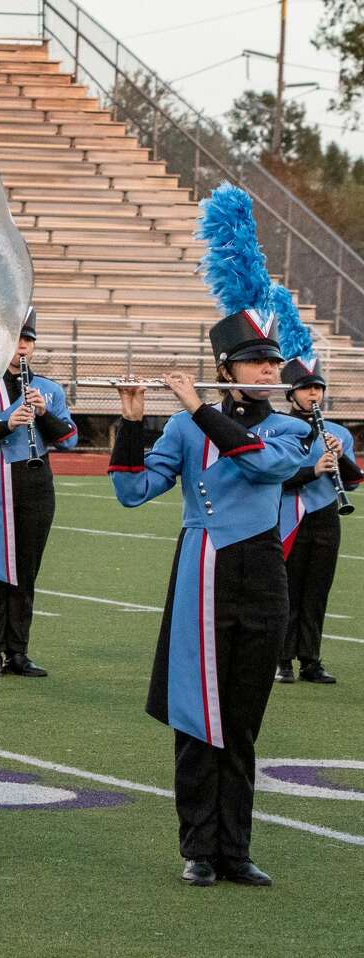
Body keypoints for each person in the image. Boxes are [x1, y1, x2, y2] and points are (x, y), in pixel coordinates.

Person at [108, 183, 312, 887]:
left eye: (272, 363)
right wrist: (132, 423)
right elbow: (134, 491)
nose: (268, 372)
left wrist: (198, 407)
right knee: (200, 715)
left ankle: (235, 848)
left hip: (262, 572)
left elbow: (258, 466)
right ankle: (199, 847)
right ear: (229, 368)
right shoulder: (182, 425)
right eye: (255, 363)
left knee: (244, 717)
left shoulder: (290, 428)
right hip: (201, 570)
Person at [0, 307, 77, 678]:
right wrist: (6, 423)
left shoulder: (49, 390)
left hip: (35, 483)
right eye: (13, 340)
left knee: (26, 568)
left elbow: (69, 439)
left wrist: (43, 413)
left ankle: (18, 652)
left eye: (26, 340)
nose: (21, 347)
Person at [275, 355, 361, 684]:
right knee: (288, 590)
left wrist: (340, 456)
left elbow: (353, 481)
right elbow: (273, 477)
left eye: (318, 388)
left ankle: (310, 660)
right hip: (288, 515)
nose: (313, 394)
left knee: (317, 590)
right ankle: (282, 660)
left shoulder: (338, 432)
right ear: (291, 393)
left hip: (325, 516)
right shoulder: (278, 428)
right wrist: (312, 470)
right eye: (306, 388)